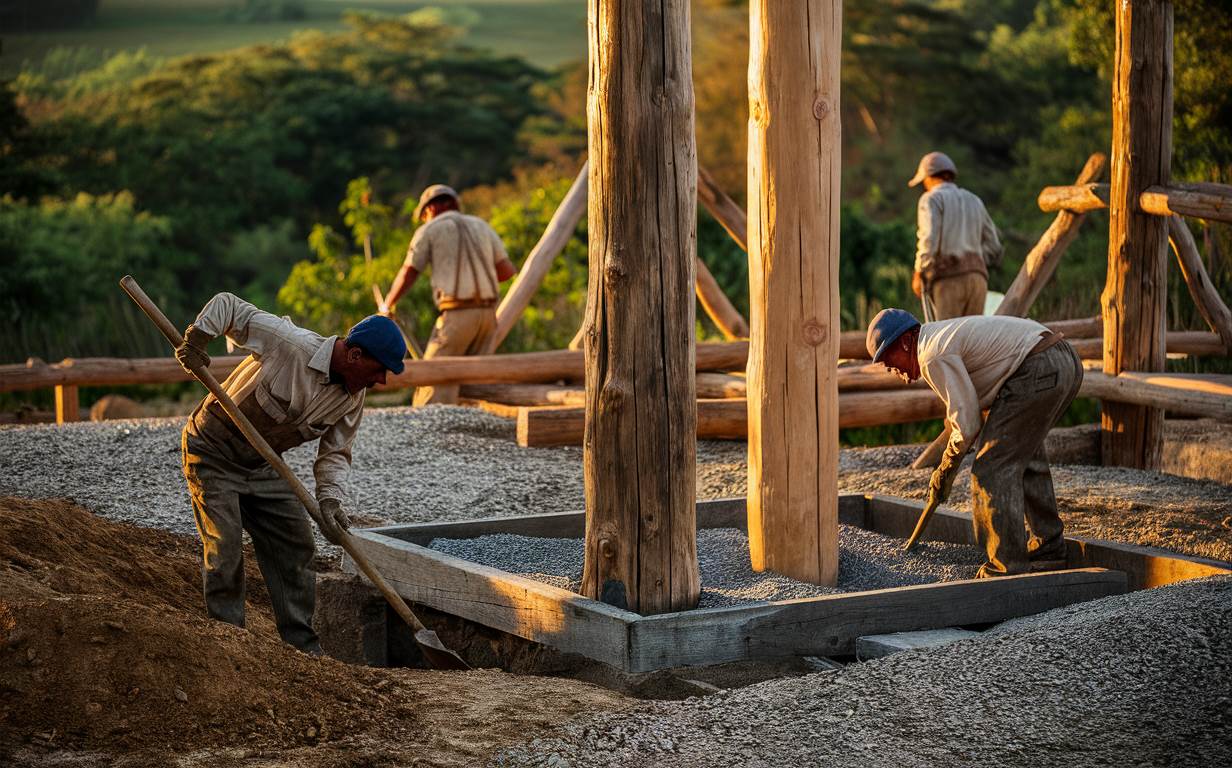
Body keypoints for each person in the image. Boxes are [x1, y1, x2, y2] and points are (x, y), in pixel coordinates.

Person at [174, 292, 406, 653]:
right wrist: (198, 339)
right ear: (355, 354)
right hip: (214, 452)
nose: (382, 381)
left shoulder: (351, 396)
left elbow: (336, 452)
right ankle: (230, 646)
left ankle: (301, 648)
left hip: (264, 465)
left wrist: (330, 499)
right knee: (225, 550)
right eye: (380, 370)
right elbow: (228, 306)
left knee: (297, 545)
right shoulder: (289, 344)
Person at [865, 308, 1083, 578]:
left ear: (906, 341)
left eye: (889, 360)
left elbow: (967, 427)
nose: (892, 370)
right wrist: (948, 464)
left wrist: (946, 466)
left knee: (990, 469)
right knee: (1025, 459)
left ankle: (1004, 568)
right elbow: (968, 414)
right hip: (1061, 359)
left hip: (1037, 366)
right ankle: (1049, 552)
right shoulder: (939, 338)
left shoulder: (932, 354)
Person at [382, 184, 517, 405]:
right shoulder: (482, 226)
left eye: (424, 214)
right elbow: (506, 272)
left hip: (457, 315)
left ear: (431, 208)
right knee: (474, 383)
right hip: (488, 317)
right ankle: (469, 432)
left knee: (434, 379)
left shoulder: (430, 230)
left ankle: (430, 434)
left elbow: (409, 272)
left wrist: (388, 304)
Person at [909, 151, 1003, 320]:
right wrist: (976, 260)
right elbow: (994, 244)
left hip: (948, 280)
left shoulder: (931, 199)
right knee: (972, 343)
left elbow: (929, 239)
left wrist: (919, 271)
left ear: (929, 177)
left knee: (946, 342)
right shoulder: (974, 200)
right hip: (978, 280)